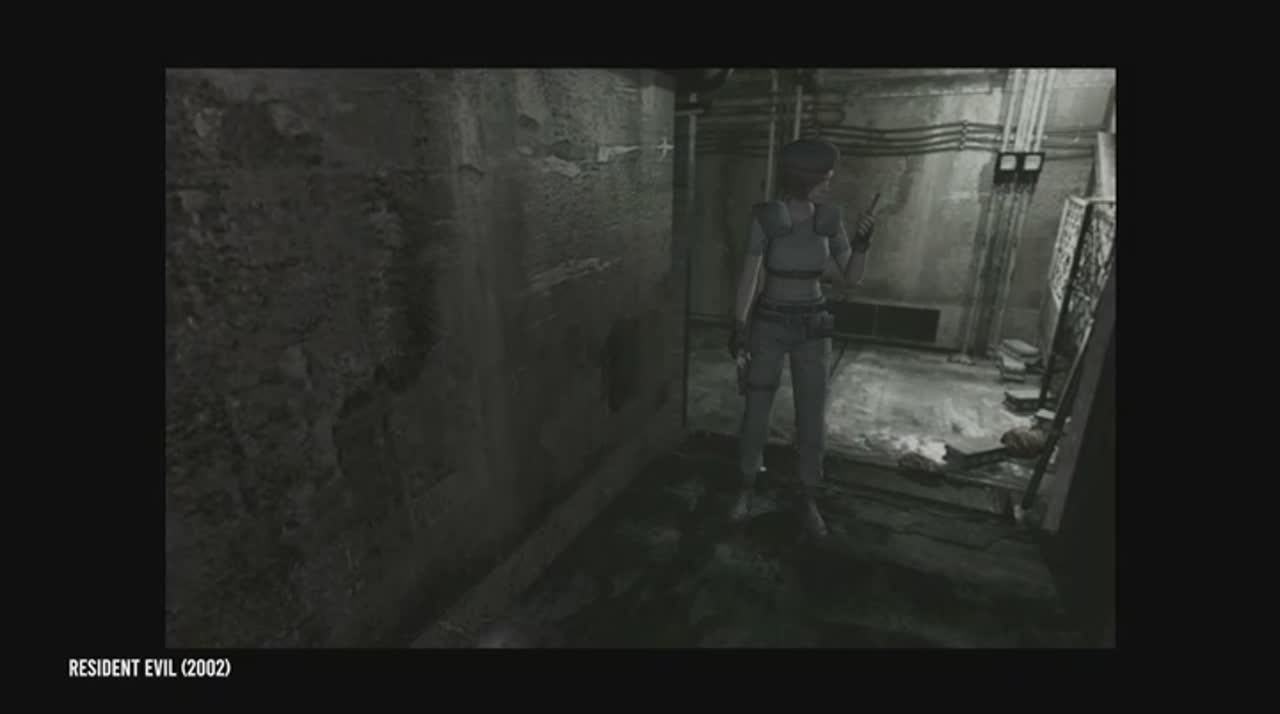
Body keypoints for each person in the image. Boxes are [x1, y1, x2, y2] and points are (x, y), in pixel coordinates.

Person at [727, 138, 875, 539]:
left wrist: (862, 244)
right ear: (802, 177)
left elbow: (852, 277)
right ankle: (746, 487)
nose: (829, 183)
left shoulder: (829, 219)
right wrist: (738, 325)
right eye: (824, 177)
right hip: (770, 324)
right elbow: (750, 275)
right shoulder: (768, 217)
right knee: (756, 413)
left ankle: (809, 495)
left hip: (813, 325)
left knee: (812, 416)